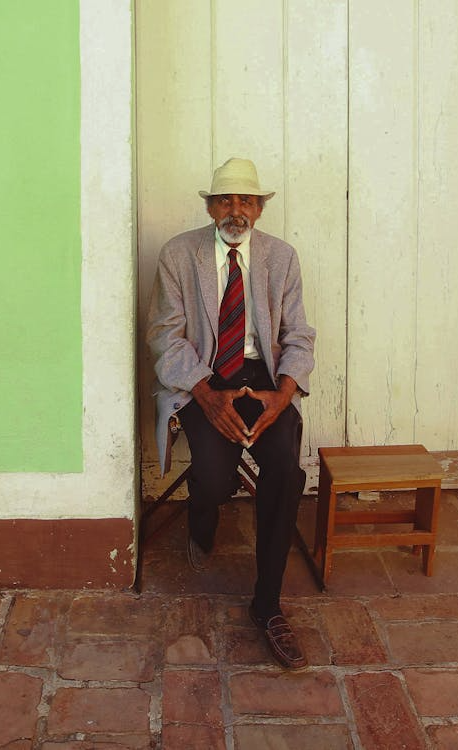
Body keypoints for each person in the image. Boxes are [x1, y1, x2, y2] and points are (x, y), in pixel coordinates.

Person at [146, 157, 316, 670]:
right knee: (215, 479)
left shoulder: (281, 258)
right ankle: (203, 519)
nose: (235, 209)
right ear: (210, 207)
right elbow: (165, 335)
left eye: (246, 200)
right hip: (204, 375)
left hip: (264, 381)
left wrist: (283, 394)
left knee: (285, 472)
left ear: (259, 209)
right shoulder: (179, 254)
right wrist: (205, 392)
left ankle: (267, 605)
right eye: (225, 200)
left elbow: (298, 336)